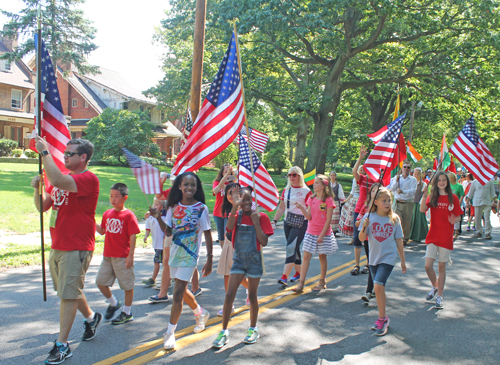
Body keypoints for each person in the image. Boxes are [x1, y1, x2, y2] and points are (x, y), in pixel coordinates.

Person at [31, 136, 101, 365]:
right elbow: (43, 206)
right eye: (64, 154)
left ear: (83, 157)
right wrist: (37, 190)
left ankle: (62, 345)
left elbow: (58, 179)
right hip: (58, 244)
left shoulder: (88, 179)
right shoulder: (64, 180)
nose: (65, 157)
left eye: (69, 154)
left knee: (68, 294)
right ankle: (91, 318)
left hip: (77, 245)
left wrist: (44, 152)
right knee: (68, 290)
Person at [151, 172, 213, 350]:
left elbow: (208, 234)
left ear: (197, 188)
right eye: (186, 185)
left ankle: (170, 333)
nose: (189, 188)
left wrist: (209, 258)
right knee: (182, 289)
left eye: (193, 185)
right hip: (175, 254)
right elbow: (169, 232)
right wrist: (157, 216)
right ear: (179, 186)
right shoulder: (172, 208)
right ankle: (200, 313)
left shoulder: (201, 208)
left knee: (177, 293)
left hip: (191, 255)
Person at [212, 186, 274, 348]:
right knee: (229, 295)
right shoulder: (236, 216)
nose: (245, 202)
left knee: (252, 296)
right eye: (242, 199)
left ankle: (253, 328)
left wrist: (256, 222)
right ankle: (224, 331)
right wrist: (234, 207)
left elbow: (264, 242)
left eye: (248, 199)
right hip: (239, 259)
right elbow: (229, 229)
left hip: (254, 261)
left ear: (253, 200)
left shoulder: (261, 217)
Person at [359, 187, 406, 336]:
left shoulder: (394, 218)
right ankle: (383, 316)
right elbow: (361, 239)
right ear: (376, 202)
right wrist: (363, 227)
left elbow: (399, 240)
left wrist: (403, 261)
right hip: (373, 258)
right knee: (379, 290)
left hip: (388, 257)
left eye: (389, 200)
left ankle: (381, 319)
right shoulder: (368, 217)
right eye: (384, 200)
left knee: (378, 286)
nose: (387, 203)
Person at [95, 183, 140, 325]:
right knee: (100, 282)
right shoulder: (107, 213)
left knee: (127, 286)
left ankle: (127, 312)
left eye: (116, 196)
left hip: (122, 257)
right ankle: (114, 303)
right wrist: (91, 221)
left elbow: (133, 235)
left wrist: (130, 255)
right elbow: (102, 231)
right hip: (108, 256)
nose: (113, 199)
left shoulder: (129, 215)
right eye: (111, 196)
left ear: (124, 198)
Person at [420, 171, 463, 309]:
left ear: (447, 182)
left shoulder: (453, 198)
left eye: (444, 180)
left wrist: (454, 219)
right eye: (439, 180)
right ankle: (435, 286)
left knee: (441, 267)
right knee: (428, 265)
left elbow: (459, 217)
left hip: (446, 237)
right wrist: (425, 194)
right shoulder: (433, 196)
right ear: (436, 182)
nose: (442, 183)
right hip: (433, 235)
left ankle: (439, 296)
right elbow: (422, 209)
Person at [292, 175, 338, 292]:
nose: (314, 184)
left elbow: (328, 220)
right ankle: (301, 283)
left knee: (322, 256)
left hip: (323, 233)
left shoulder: (328, 200)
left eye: (316, 183)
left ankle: (322, 281)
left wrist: (322, 235)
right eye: (314, 183)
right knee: (306, 256)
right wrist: (302, 208)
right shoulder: (311, 199)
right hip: (311, 232)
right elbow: (309, 217)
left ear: (323, 186)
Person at [272, 166, 312, 286]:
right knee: (294, 248)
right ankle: (298, 273)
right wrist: (274, 220)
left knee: (290, 247)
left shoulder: (307, 191)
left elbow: (310, 211)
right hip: (288, 222)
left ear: (299, 176)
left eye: (294, 175)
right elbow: (281, 208)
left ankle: (284, 276)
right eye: (289, 175)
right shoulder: (286, 190)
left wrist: (302, 207)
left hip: (301, 223)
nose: (291, 177)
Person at [216, 182, 249, 316]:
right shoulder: (227, 208)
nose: (231, 196)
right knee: (227, 274)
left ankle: (251, 291)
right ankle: (229, 304)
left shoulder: (244, 207)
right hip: (229, 244)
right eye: (229, 193)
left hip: (240, 245)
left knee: (238, 275)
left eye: (234, 192)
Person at [351, 146, 376, 274]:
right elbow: (354, 172)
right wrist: (360, 157)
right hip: (359, 210)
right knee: (357, 238)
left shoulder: (378, 182)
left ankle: (368, 263)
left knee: (369, 239)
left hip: (371, 211)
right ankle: (356, 265)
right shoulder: (363, 179)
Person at [354, 183, 381, 302]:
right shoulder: (366, 207)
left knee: (376, 264)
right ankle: (370, 291)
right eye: (374, 190)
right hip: (367, 239)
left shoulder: (384, 208)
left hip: (379, 239)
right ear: (370, 193)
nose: (376, 192)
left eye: (378, 190)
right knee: (371, 263)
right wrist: (363, 222)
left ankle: (373, 288)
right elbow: (356, 223)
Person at [388, 161, 417, 244]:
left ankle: (405, 239)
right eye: (404, 167)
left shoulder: (413, 179)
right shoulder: (397, 178)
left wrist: (403, 191)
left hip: (407, 202)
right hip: (398, 202)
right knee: (396, 220)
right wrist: (396, 181)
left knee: (407, 222)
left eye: (408, 167)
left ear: (410, 169)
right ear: (402, 168)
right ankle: (395, 237)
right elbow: (392, 188)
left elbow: (413, 191)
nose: (406, 169)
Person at [142, 198, 167, 289]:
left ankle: (156, 279)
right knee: (159, 262)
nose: (154, 205)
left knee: (161, 262)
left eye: (157, 204)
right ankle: (163, 279)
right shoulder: (150, 218)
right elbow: (148, 228)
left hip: (163, 245)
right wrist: (146, 236)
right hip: (156, 245)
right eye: (154, 204)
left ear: (162, 207)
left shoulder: (164, 218)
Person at [213, 164, 236, 243]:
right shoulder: (217, 182)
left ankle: (229, 252)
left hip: (229, 212)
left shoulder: (233, 183)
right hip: (218, 212)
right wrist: (225, 178)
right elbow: (215, 191)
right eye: (226, 172)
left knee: (228, 234)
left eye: (229, 172)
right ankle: (224, 253)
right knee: (220, 235)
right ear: (222, 173)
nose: (228, 174)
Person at [338, 172, 361, 242]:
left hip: (362, 201)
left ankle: (361, 238)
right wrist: (346, 200)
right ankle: (354, 237)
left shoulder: (365, 180)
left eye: (363, 171)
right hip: (354, 200)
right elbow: (352, 192)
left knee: (361, 219)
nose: (362, 172)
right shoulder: (354, 180)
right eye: (361, 170)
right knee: (352, 219)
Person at [409, 168, 429, 242]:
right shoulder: (411, 183)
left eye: (418, 174)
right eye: (415, 174)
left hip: (419, 203)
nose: (416, 176)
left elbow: (426, 194)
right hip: (412, 203)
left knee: (420, 220)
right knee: (411, 220)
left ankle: (421, 236)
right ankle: (411, 235)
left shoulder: (423, 184)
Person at [448, 172, 465, 239]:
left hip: (456, 204)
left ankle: (456, 232)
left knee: (456, 219)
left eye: (449, 178)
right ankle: (450, 232)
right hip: (449, 204)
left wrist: (459, 202)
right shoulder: (448, 185)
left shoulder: (459, 186)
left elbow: (462, 195)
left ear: (452, 178)